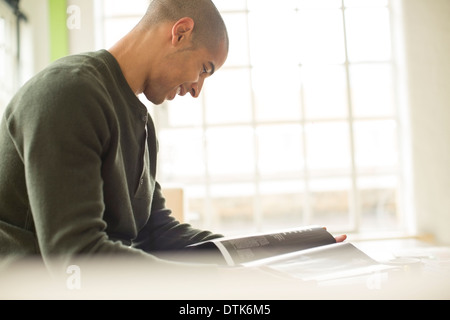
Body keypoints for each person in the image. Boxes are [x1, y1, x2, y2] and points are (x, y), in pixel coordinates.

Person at [0, 0, 345, 284]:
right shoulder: (70, 94)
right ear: (180, 33)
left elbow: (158, 234)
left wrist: (290, 250)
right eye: (204, 69)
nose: (197, 90)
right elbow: (77, 257)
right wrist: (234, 284)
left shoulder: (141, 124)